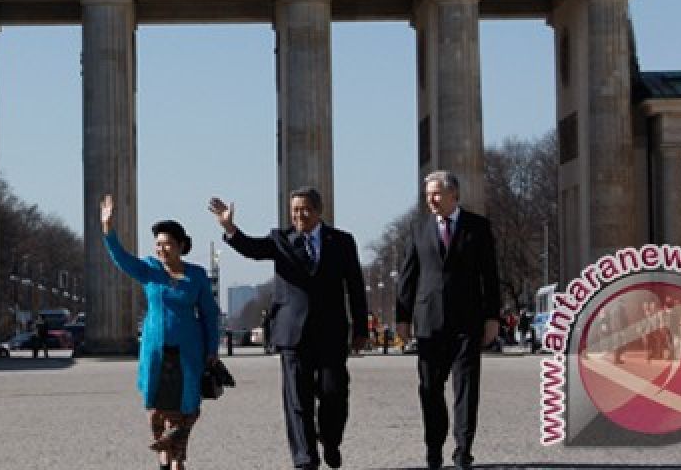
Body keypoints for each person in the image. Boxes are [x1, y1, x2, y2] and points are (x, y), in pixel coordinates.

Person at [209, 187, 368, 470]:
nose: (299, 215)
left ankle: (330, 440)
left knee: (335, 394)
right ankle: (305, 459)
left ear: (319, 211)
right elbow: (252, 249)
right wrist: (230, 227)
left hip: (331, 331)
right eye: (294, 210)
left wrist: (361, 330)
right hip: (292, 333)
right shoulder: (280, 239)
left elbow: (355, 287)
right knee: (297, 400)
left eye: (305, 209)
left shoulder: (342, 241)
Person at [101, 194, 219, 470]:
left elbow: (209, 315)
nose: (161, 248)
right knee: (157, 408)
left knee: (186, 407)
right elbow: (121, 258)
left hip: (188, 351)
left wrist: (212, 349)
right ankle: (165, 458)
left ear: (180, 245)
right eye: (158, 244)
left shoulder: (197, 275)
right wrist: (108, 229)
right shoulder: (150, 270)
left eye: (167, 244)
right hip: (155, 349)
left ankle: (176, 458)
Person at [396, 170, 501, 470]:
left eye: (437, 194)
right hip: (428, 322)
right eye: (428, 194)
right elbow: (407, 276)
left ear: (454, 194)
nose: (431, 199)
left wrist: (492, 317)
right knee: (430, 388)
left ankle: (463, 449)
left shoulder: (478, 227)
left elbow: (489, 276)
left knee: (466, 388)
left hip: (468, 320)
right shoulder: (418, 229)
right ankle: (433, 447)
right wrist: (402, 318)